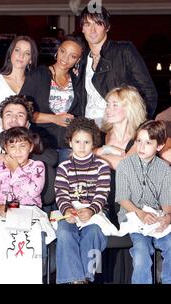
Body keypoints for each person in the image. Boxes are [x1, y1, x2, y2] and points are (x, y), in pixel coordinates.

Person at [0, 127, 55, 284]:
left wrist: (16, 169)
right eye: (12, 147)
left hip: (29, 210)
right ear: (5, 149)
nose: (18, 151)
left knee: (28, 236)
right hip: (3, 211)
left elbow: (33, 191)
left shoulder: (38, 166)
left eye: (22, 146)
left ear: (31, 147)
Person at [94, 85, 147, 284]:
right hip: (101, 203)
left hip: (128, 204)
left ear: (129, 108)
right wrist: (111, 150)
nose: (108, 108)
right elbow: (82, 155)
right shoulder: (99, 133)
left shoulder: (140, 137)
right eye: (108, 104)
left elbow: (127, 165)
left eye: (115, 104)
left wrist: (101, 152)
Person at [55, 117, 111, 284]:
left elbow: (102, 194)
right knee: (64, 233)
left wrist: (91, 210)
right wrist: (67, 210)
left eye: (86, 142)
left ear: (93, 143)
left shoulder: (102, 166)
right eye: (77, 141)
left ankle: (85, 278)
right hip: (70, 211)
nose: (81, 146)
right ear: (70, 142)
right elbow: (61, 193)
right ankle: (78, 280)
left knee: (93, 233)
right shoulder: (63, 167)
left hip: (95, 211)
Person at [78, 6, 157, 124]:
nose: (92, 30)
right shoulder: (81, 57)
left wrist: (138, 123)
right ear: (82, 28)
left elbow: (149, 92)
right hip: (88, 128)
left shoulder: (124, 51)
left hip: (117, 127)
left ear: (107, 27)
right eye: (87, 24)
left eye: (98, 24)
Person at [116, 120, 171, 284]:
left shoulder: (165, 169)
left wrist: (167, 216)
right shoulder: (125, 165)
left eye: (148, 143)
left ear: (159, 146)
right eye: (139, 141)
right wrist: (140, 213)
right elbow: (122, 198)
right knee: (141, 253)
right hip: (132, 217)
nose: (141, 147)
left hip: (155, 218)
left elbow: (166, 199)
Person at [0, 95, 58, 210]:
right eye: (8, 114)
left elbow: (52, 158)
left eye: (20, 115)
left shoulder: (37, 137)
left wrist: (10, 157)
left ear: (27, 123)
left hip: (32, 206)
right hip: (2, 209)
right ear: (1, 122)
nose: (14, 119)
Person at [21, 36, 84, 163]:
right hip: (41, 146)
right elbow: (22, 112)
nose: (65, 58)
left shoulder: (77, 81)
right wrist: (54, 119)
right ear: (58, 50)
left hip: (69, 146)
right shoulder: (38, 75)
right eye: (63, 51)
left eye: (73, 56)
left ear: (78, 60)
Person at [0, 35, 38, 151]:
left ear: (31, 59)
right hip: (0, 143)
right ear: (10, 54)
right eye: (17, 50)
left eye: (27, 53)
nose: (21, 56)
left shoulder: (35, 83)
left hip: (26, 144)